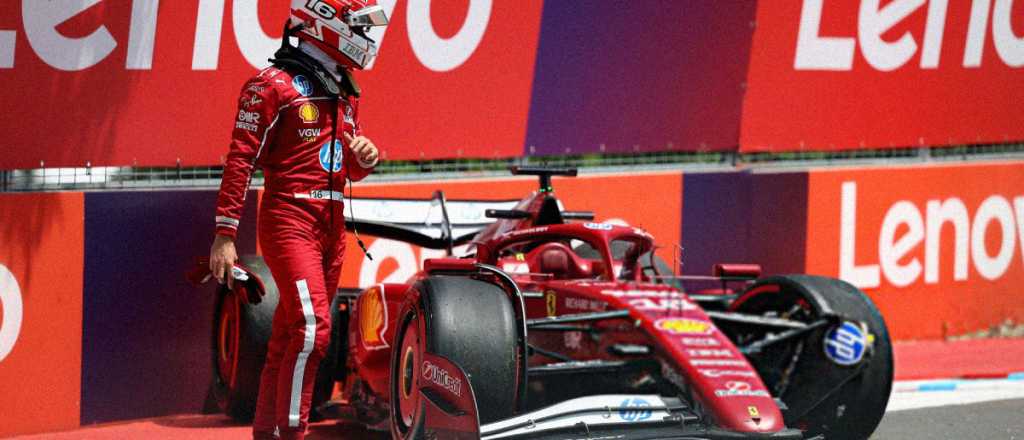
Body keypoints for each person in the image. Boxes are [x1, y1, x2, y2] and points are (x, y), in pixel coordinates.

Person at [208, 1, 388, 438]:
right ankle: (294, 432)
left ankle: (267, 432)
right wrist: (225, 233)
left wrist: (366, 158)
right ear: (323, 23)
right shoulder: (271, 86)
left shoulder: (343, 88)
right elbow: (240, 160)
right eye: (357, 27)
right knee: (313, 330)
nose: (366, 38)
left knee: (290, 334)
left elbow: (345, 166)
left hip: (332, 224)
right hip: (290, 219)